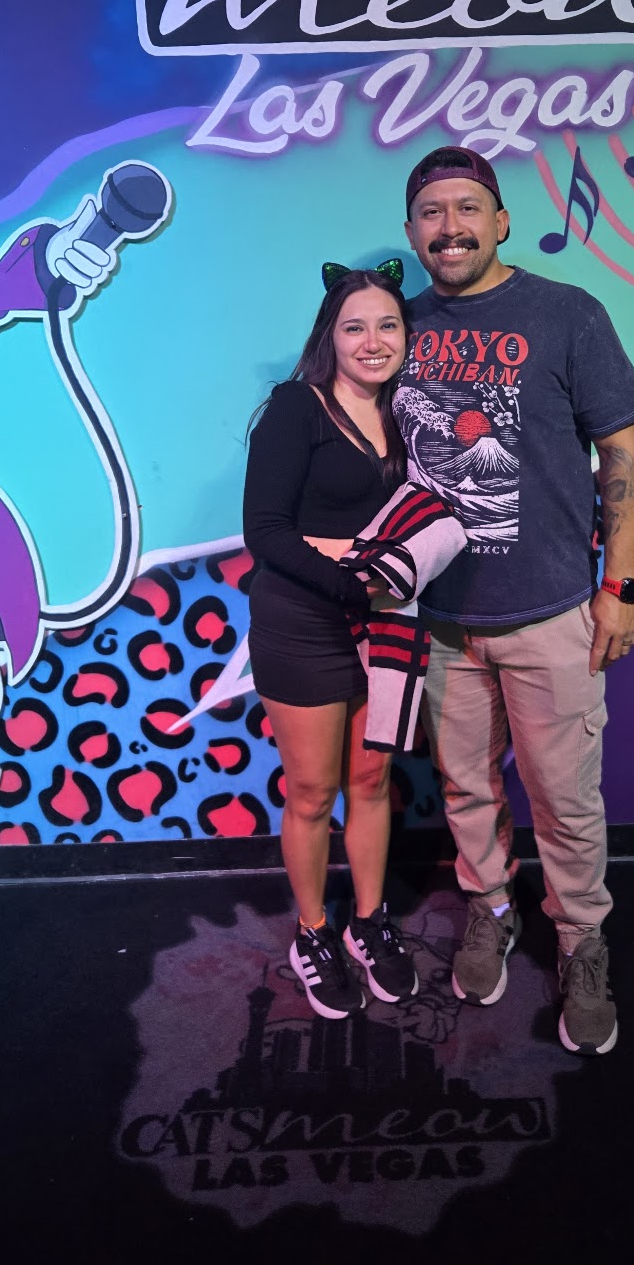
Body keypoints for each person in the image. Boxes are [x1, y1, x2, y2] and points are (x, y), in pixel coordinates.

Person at [393, 146, 634, 1055]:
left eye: (469, 208)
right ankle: (490, 907)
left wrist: (619, 587)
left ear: (501, 221)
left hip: (550, 614)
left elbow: (622, 450)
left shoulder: (566, 313)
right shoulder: (396, 324)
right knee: (466, 787)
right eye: (432, 212)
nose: (451, 227)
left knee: (565, 799)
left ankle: (581, 940)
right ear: (412, 231)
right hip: (441, 623)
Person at [243, 261, 419, 1020]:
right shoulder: (297, 408)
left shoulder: (412, 413)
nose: (372, 341)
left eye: (387, 325)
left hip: (388, 622)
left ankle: (368, 923)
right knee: (314, 791)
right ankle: (313, 932)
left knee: (372, 781)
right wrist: (355, 584)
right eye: (355, 327)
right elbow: (265, 532)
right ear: (330, 337)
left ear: (406, 334)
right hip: (305, 623)